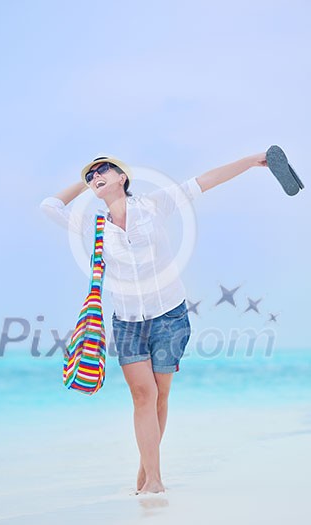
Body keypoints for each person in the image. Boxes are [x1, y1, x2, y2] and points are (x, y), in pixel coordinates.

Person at [40, 151, 267, 494]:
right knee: (143, 396)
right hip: (128, 322)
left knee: (161, 397)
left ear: (123, 177)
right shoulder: (93, 225)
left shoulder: (154, 205)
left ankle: (146, 471)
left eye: (104, 170)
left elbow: (205, 181)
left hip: (170, 316)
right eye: (91, 175)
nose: (96, 176)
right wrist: (86, 185)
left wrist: (253, 160)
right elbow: (49, 207)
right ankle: (156, 481)